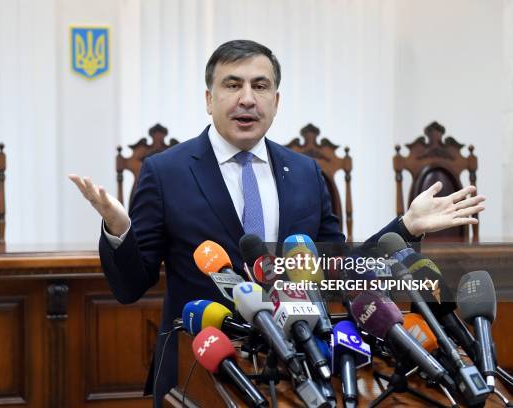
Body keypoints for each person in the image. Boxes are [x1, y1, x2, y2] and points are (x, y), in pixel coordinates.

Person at [69, 40, 485, 405]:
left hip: (297, 370)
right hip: (200, 369)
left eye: (260, 85)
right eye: (232, 85)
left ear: (276, 101)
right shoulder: (166, 172)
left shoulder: (304, 172)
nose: (247, 98)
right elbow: (129, 287)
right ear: (208, 99)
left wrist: (405, 227)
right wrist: (119, 230)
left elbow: (339, 273)